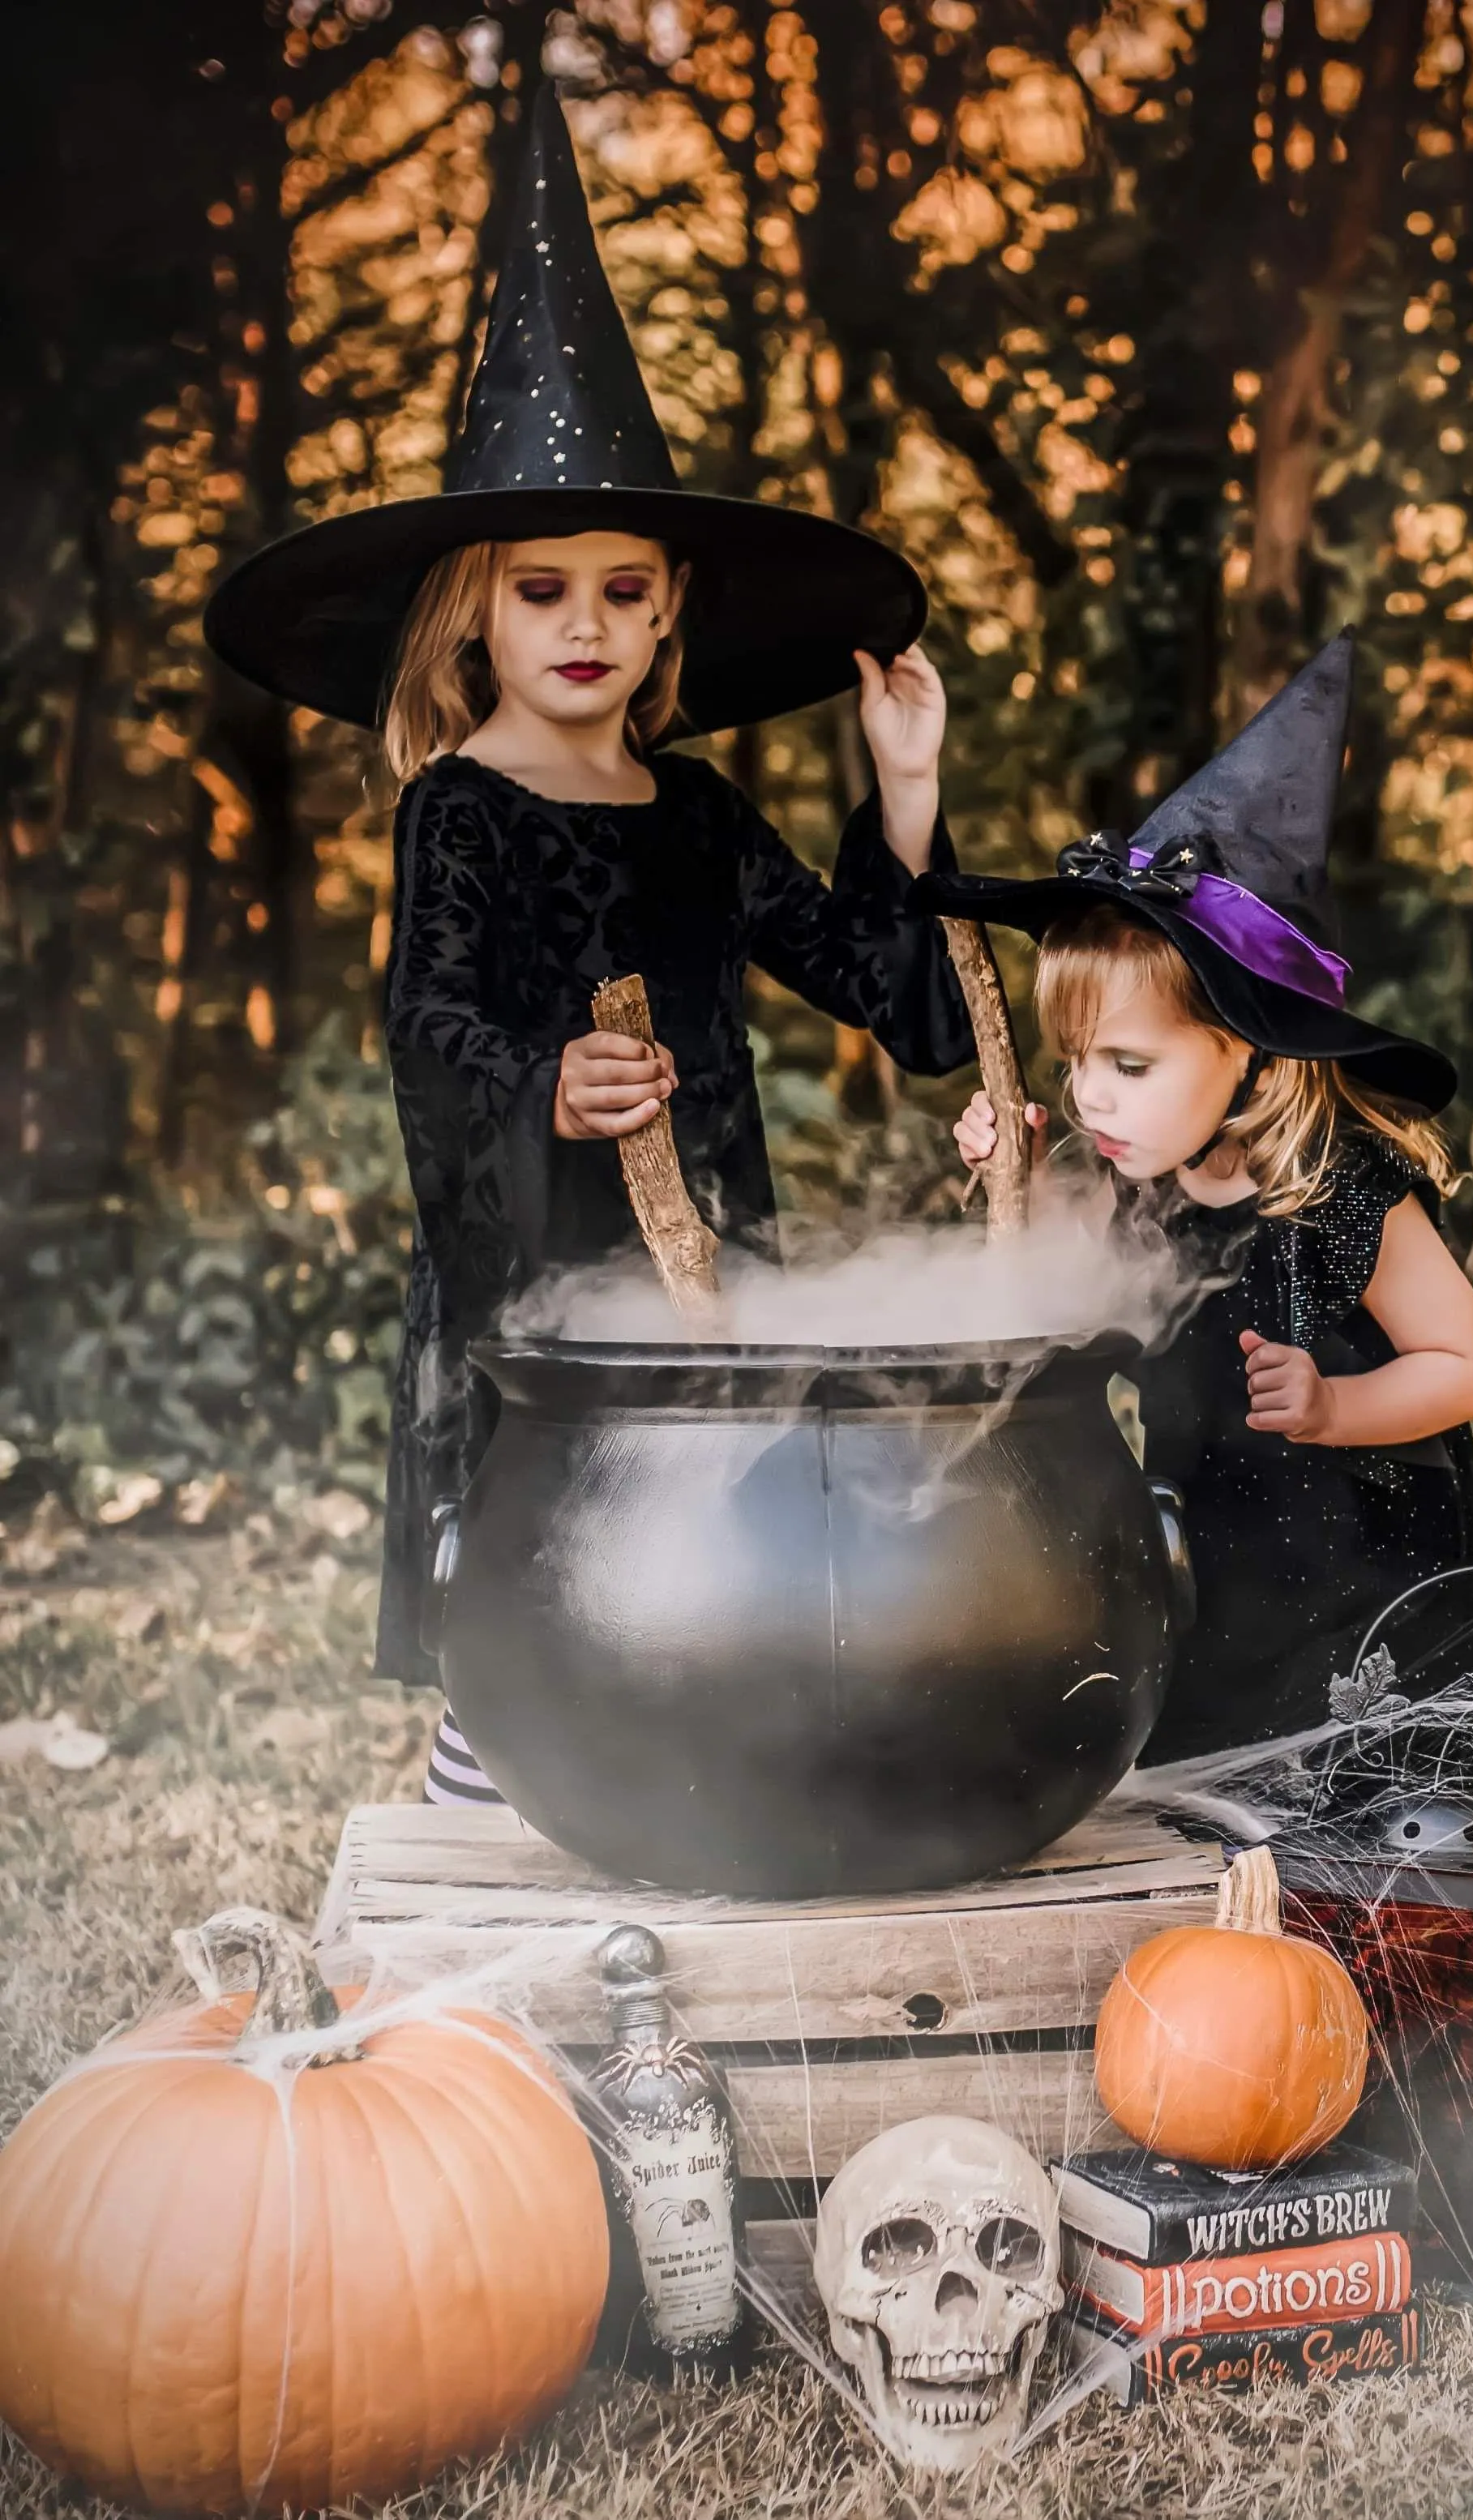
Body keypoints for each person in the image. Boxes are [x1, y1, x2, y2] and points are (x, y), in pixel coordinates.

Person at [203, 90, 974, 1793]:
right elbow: (429, 1024)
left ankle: (689, 1786)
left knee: (706, 1569)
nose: (588, 625)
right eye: (545, 588)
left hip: (710, 1275)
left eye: (626, 590)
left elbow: (885, 991)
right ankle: (498, 1789)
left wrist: (902, 803)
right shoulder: (462, 807)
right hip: (539, 1277)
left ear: (671, 610)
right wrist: (547, 1085)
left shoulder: (694, 813)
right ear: (475, 600)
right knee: (555, 1562)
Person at [922, 635, 1473, 1761]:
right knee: (1218, 1786)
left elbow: (1465, 1366)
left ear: (1250, 1051)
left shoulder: (1338, 1189)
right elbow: (1039, 1291)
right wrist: (1011, 1174)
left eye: (1127, 1066)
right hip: (1213, 1559)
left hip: (1364, 1582)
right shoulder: (1123, 1173)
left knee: (1353, 1807)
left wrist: (1340, 1408)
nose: (1091, 1094)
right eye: (1075, 1058)